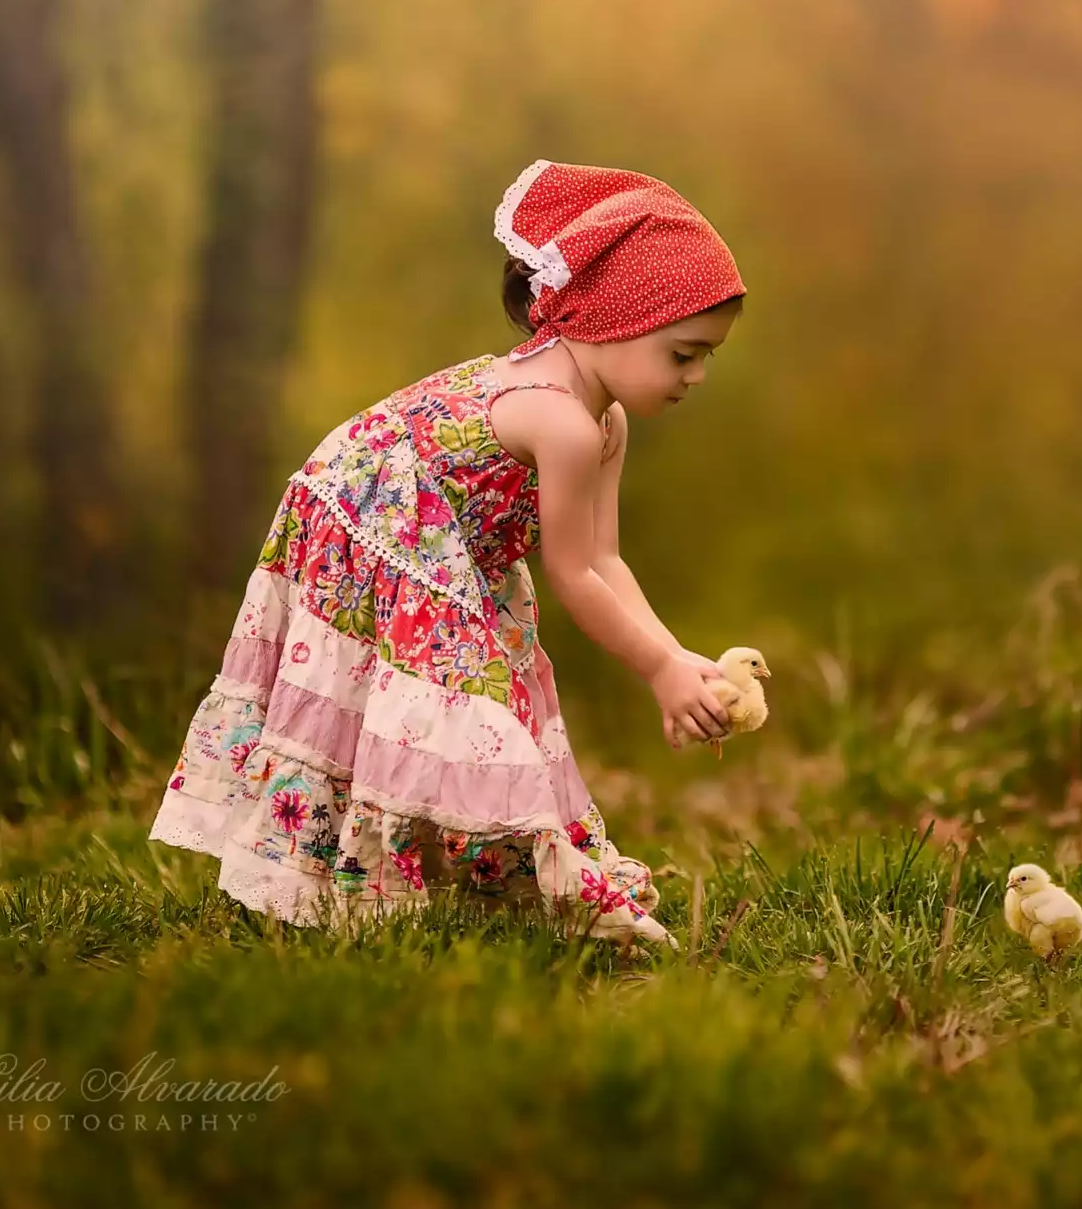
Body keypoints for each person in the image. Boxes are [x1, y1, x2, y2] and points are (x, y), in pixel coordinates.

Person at [147, 158, 745, 946]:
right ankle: (341, 893)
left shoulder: (603, 422)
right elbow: (570, 576)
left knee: (489, 698)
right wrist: (657, 671)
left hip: (438, 537)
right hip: (373, 518)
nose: (697, 374)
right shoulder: (561, 423)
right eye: (683, 352)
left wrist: (676, 657)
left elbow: (607, 561)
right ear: (612, 318)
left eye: (706, 355)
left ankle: (481, 883)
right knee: (467, 700)